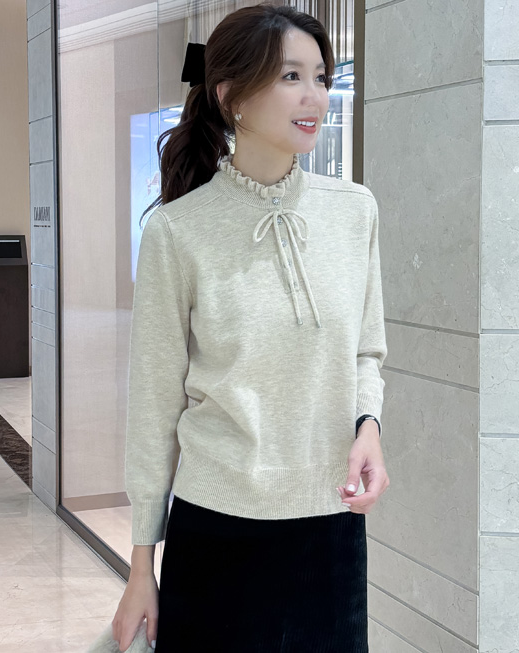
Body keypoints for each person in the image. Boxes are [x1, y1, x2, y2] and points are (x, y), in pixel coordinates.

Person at [112, 3, 390, 652]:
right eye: (291, 76)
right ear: (230, 95)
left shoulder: (355, 212)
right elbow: (154, 406)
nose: (314, 95)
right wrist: (140, 567)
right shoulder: (177, 231)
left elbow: (366, 351)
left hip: (330, 530)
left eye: (321, 76)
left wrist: (369, 426)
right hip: (218, 532)